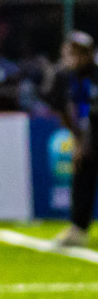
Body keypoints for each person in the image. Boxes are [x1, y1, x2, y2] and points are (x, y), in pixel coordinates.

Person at [46, 31, 96, 248]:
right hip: (85, 132)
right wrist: (76, 139)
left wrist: (84, 143)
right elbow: (60, 109)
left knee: (85, 162)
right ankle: (78, 227)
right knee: (82, 175)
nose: (74, 58)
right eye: (71, 52)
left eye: (80, 53)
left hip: (94, 129)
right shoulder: (62, 76)